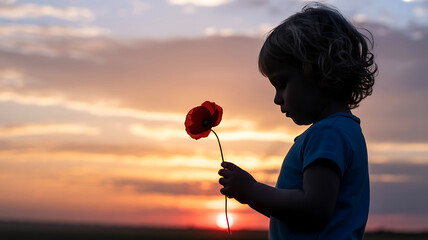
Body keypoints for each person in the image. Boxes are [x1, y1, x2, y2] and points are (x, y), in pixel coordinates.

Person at [218, 2, 377, 240]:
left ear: (319, 71)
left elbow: (313, 209)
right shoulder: (343, 130)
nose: (276, 99)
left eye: (282, 83)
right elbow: (298, 212)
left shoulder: (328, 133)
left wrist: (251, 190)